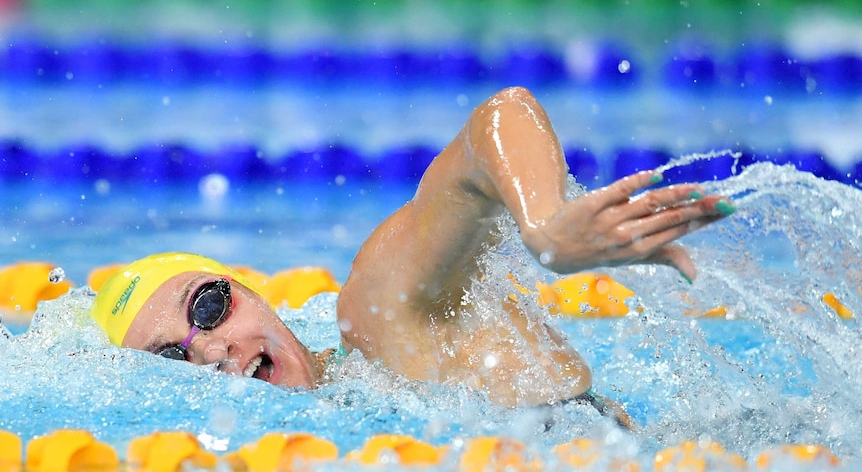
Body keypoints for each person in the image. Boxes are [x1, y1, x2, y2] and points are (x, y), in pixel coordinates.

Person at [90, 87, 734, 429]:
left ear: (250, 292)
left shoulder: (380, 324)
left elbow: (498, 121)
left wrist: (548, 226)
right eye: (171, 361)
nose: (207, 351)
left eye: (207, 307)